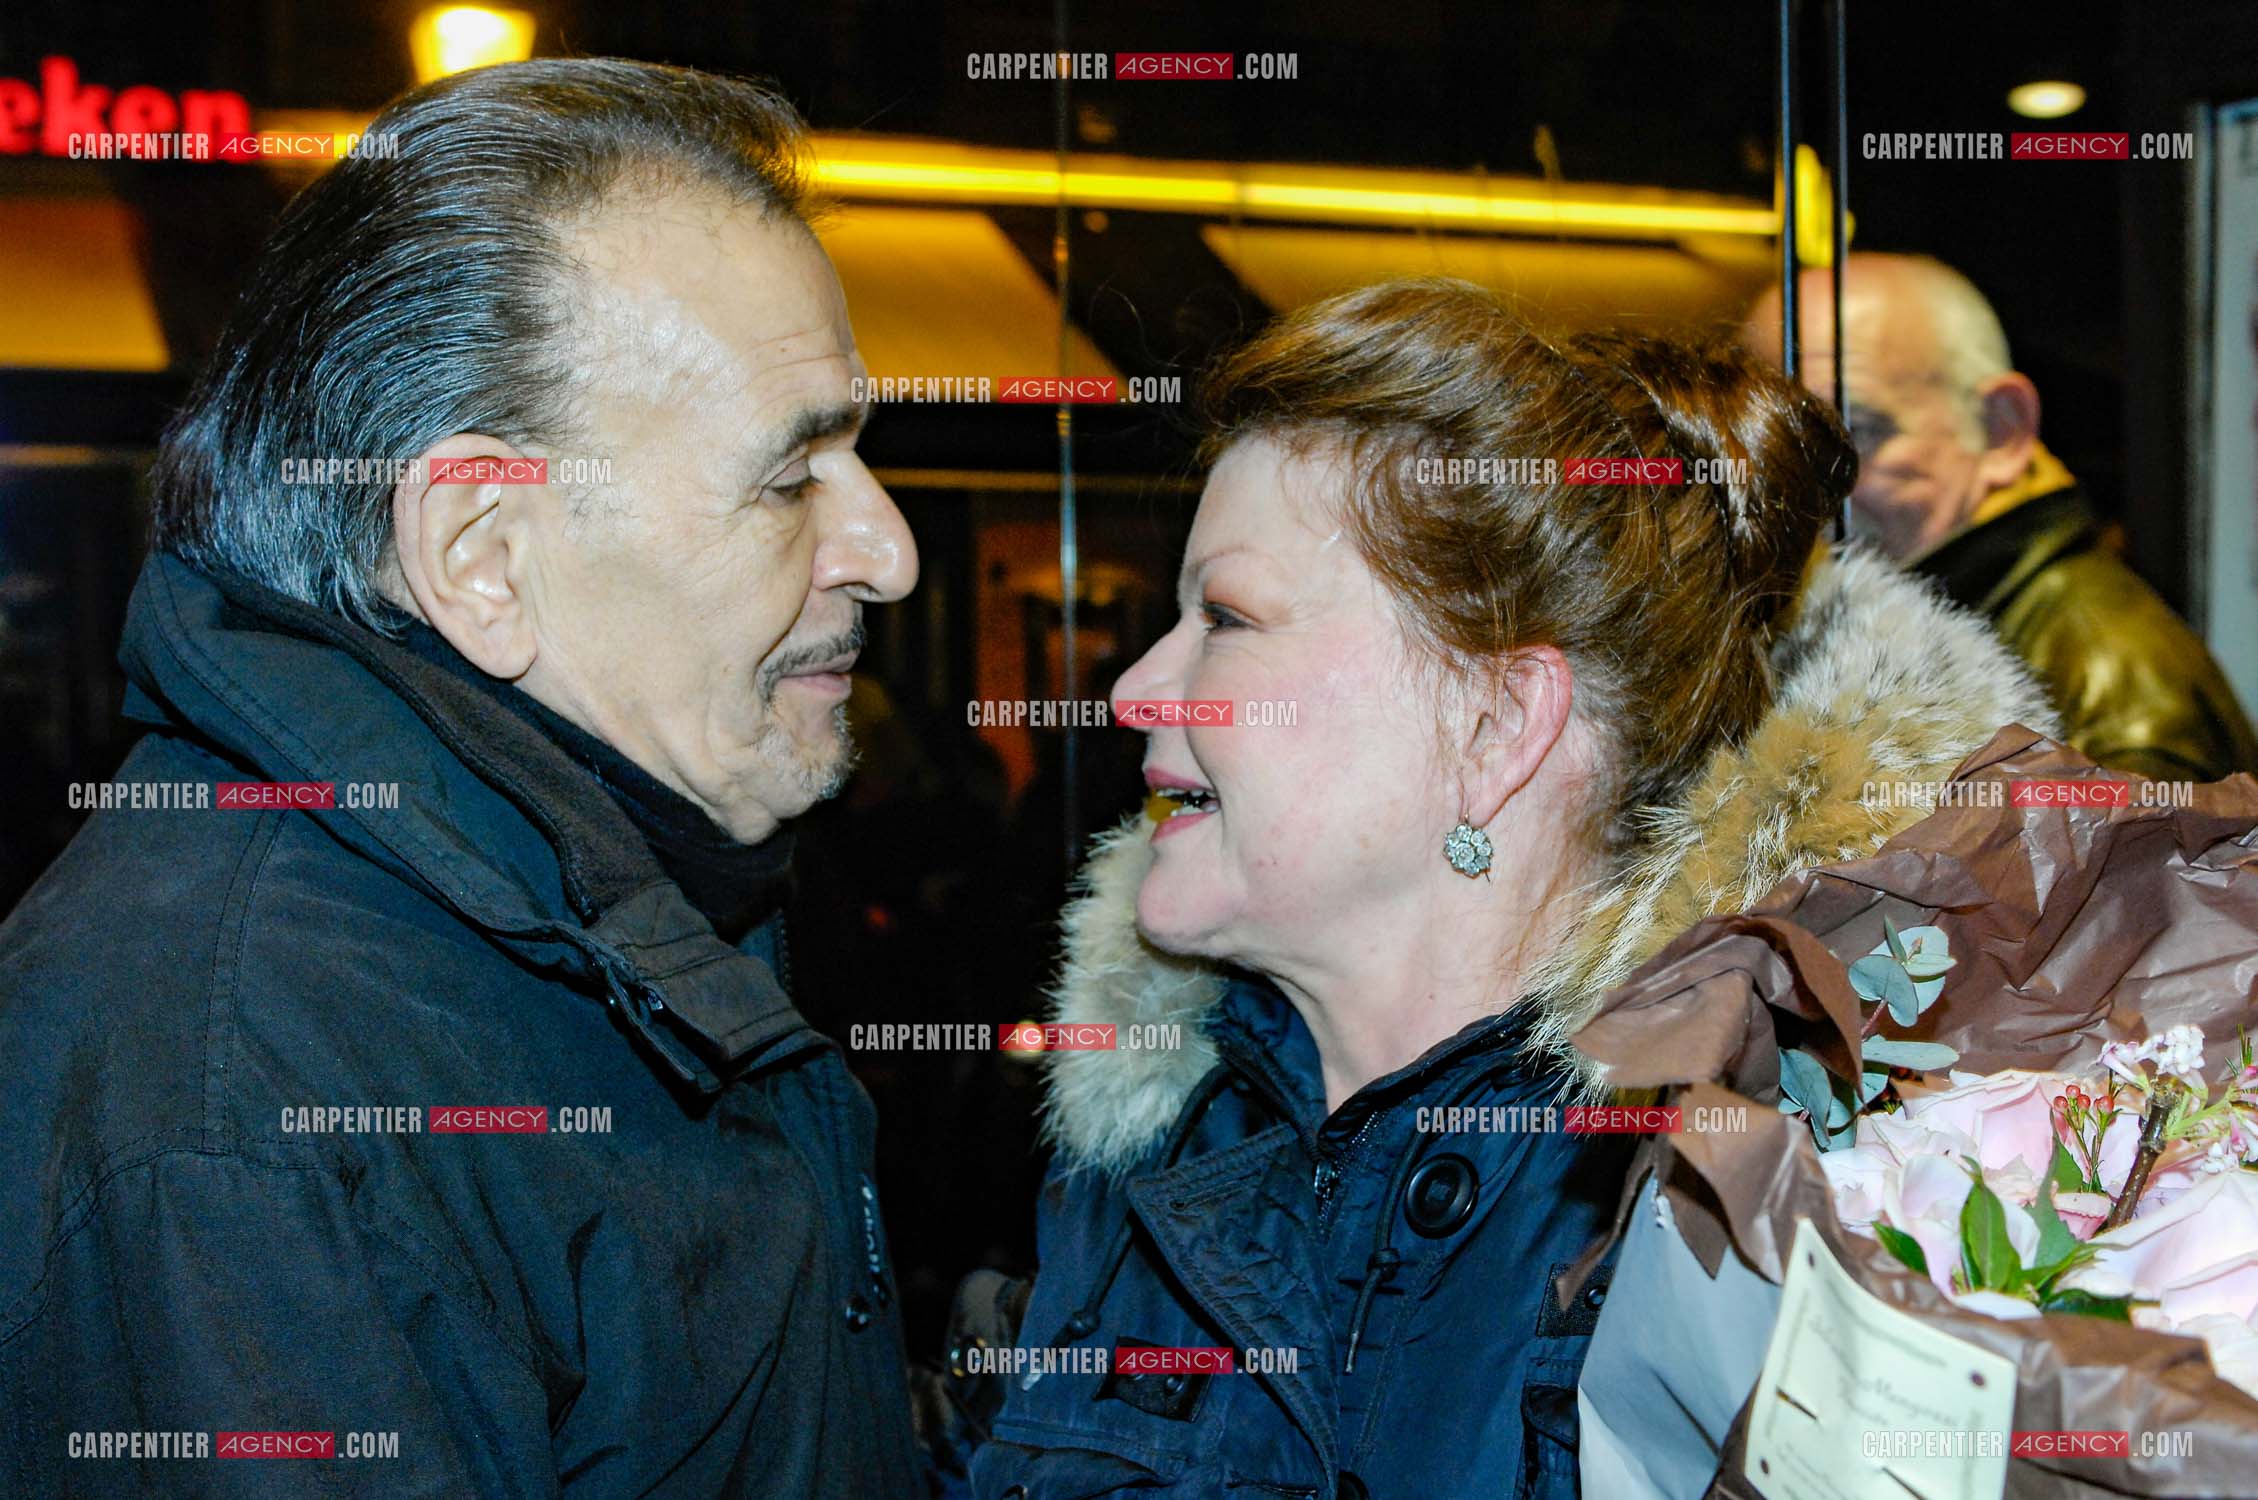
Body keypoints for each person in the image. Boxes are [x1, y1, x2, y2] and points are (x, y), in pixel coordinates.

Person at [960, 278, 2057, 1499]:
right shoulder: (1147, 1144)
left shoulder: (1742, 1213)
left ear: (1495, 725)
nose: (1139, 690)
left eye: (1224, 616)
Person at [0, 60, 926, 1497]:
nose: (886, 549)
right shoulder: (236, 1113)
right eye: (791, 476)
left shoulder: (587, 895)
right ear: (484, 558)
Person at [1744, 251, 2258, 783]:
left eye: (1854, 436)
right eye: (1765, 449)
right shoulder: (1906, 621)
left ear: (1999, 429)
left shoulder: (2115, 694)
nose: (1798, 494)